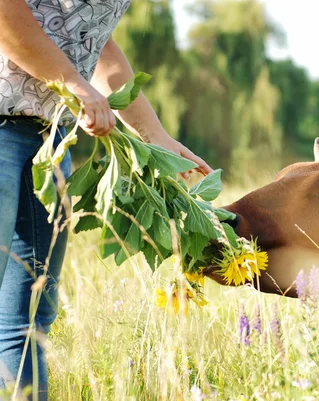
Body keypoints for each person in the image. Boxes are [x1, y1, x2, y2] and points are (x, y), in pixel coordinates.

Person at [0, 0, 213, 399]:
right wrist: (76, 84)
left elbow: (96, 40)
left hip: (48, 140)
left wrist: (156, 137)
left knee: (28, 321)